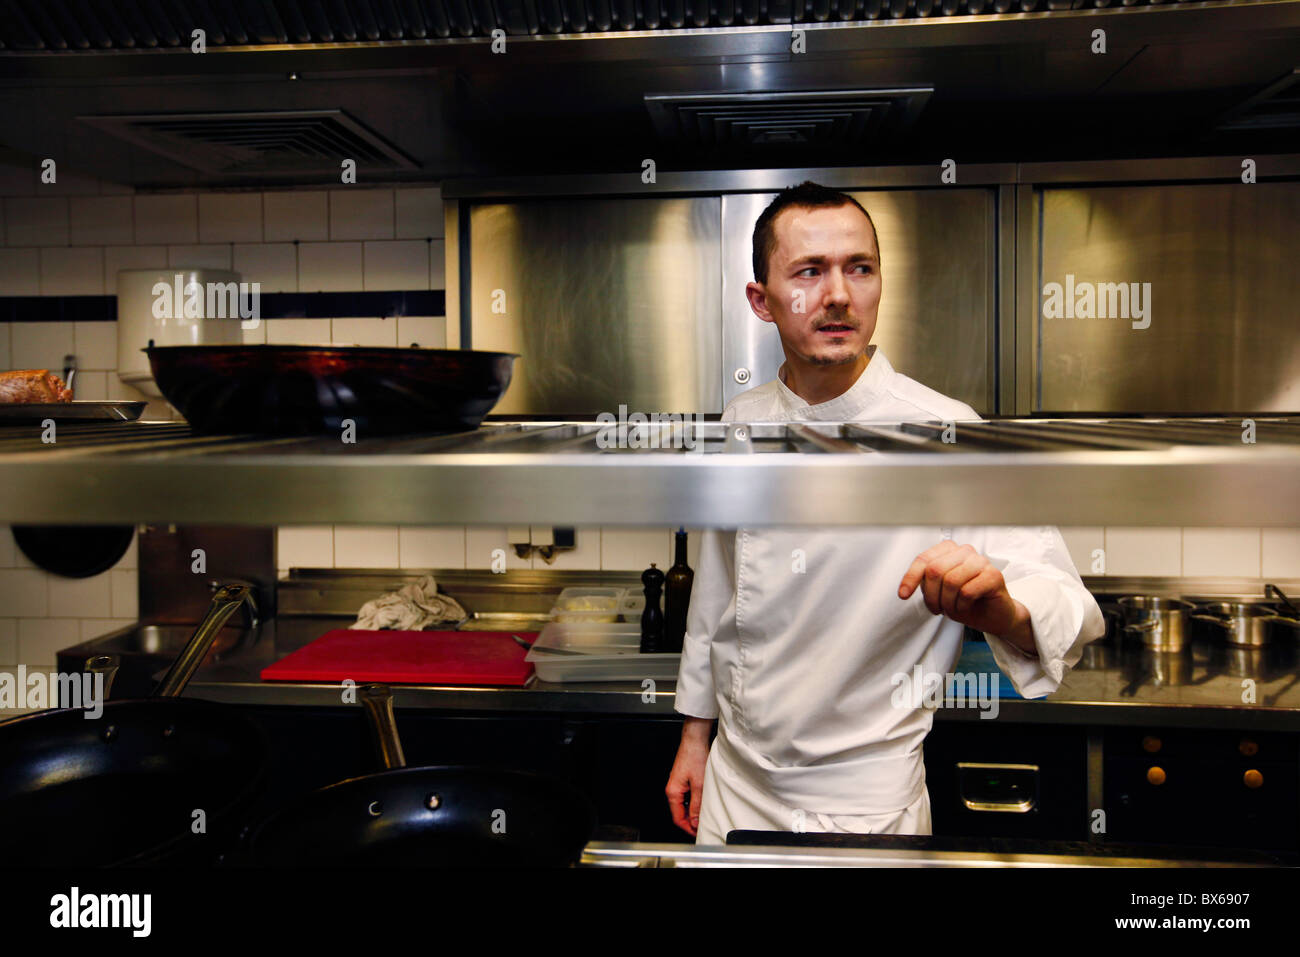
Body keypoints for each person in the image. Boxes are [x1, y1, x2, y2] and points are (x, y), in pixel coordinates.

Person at [665, 181, 1106, 844]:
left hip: (868, 807)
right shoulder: (742, 420)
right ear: (762, 300)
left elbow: (1070, 602)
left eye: (859, 268)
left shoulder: (947, 431)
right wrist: (696, 734)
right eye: (810, 272)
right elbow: (718, 595)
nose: (838, 293)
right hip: (737, 789)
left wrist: (1002, 607)